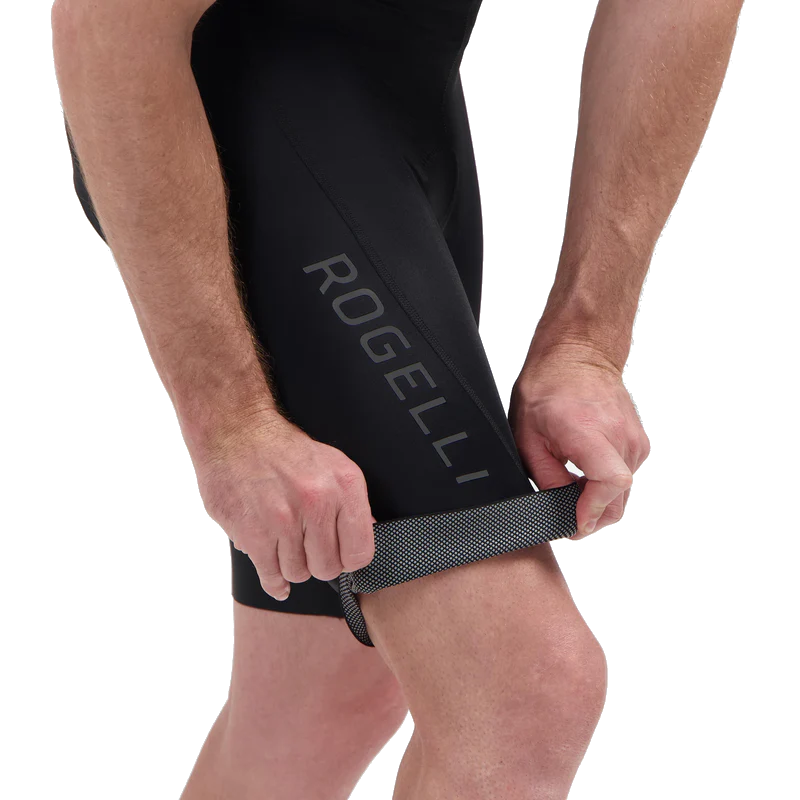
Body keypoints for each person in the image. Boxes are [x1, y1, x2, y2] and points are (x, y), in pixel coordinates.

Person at [52, 0, 743, 796]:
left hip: (405, 106)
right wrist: (230, 423)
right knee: (522, 690)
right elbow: (106, 22)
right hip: (244, 113)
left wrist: (587, 340)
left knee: (326, 696)